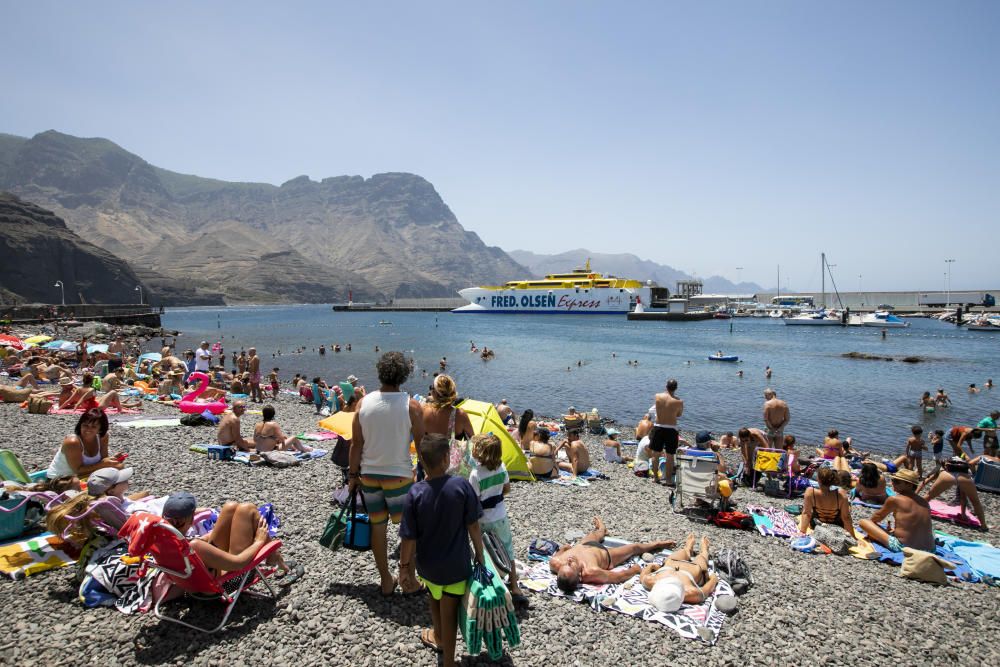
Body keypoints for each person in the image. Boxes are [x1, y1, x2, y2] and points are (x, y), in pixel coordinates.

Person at [400, 434, 483, 667]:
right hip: (455, 566)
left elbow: (408, 538)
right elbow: (473, 525)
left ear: (422, 462)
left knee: (434, 597)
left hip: (427, 565)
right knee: (450, 612)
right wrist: (480, 553)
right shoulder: (461, 486)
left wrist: (404, 568)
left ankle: (438, 638)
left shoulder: (415, 493)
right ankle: (448, 661)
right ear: (447, 458)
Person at [349, 351, 426, 596]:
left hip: (369, 475)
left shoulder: (363, 403)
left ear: (380, 372)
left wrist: (352, 476)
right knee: (409, 529)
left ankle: (385, 580)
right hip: (400, 475)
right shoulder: (411, 405)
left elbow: (356, 444)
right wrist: (430, 475)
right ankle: (408, 577)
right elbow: (422, 445)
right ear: (403, 375)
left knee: (378, 527)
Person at [160, 492, 297, 581]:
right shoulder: (195, 546)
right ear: (191, 520)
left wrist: (217, 534)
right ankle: (276, 558)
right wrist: (258, 541)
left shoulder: (160, 541)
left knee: (230, 507)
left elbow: (202, 546)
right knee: (247, 509)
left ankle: (274, 558)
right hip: (226, 585)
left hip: (196, 582)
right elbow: (238, 564)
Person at [467, 433, 527, 606]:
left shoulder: (475, 474)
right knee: (507, 549)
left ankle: (491, 583)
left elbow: (474, 501)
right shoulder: (501, 467)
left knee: (485, 551)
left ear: (480, 453)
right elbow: (506, 489)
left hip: (483, 519)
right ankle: (514, 585)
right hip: (500, 516)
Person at [549, 517, 675, 592]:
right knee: (634, 547)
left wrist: (563, 549)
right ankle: (657, 544)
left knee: (598, 533)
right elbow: (618, 577)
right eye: (571, 565)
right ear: (580, 576)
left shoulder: (556, 563)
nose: (569, 560)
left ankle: (602, 528)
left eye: (565, 564)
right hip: (605, 554)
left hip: (583, 545)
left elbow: (558, 554)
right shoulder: (591, 572)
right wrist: (634, 569)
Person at [859, 469, 935, 551]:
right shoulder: (924, 502)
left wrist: (874, 531)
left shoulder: (894, 499)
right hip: (931, 549)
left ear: (909, 485)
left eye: (897, 481)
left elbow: (876, 518)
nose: (893, 483)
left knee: (863, 522)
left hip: (905, 548)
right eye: (893, 480)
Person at [639, 534, 718, 612]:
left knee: (684, 551)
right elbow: (707, 589)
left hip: (673, 563)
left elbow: (645, 573)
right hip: (693, 567)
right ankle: (704, 549)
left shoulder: (649, 581)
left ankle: (688, 547)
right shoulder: (690, 593)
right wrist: (713, 578)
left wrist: (652, 566)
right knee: (702, 557)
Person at [46, 409, 125, 480]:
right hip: (62, 479)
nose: (88, 429)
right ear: (80, 425)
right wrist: (102, 464)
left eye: (93, 427)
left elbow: (103, 459)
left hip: (81, 475)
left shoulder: (102, 437)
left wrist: (112, 460)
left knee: (119, 467)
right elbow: (77, 470)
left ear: (100, 429)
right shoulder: (73, 442)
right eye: (85, 425)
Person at [922, 457, 990, 530]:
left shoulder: (943, 468)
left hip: (947, 475)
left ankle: (913, 509)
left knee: (929, 496)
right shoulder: (967, 470)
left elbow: (928, 481)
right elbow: (963, 497)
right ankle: (983, 525)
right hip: (964, 478)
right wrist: (963, 515)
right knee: (976, 502)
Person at [799, 467, 857, 538]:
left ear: (818, 480)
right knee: (848, 508)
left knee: (804, 510)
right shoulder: (840, 493)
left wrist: (802, 532)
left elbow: (806, 513)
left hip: (817, 526)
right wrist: (853, 537)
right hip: (837, 527)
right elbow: (846, 517)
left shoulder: (811, 492)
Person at [649, 379, 683, 485]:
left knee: (655, 453)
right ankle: (668, 480)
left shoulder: (658, 396)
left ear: (666, 386)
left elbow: (656, 409)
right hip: (671, 429)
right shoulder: (679, 401)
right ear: (676, 388)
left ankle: (656, 478)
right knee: (670, 455)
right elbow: (679, 415)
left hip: (658, 427)